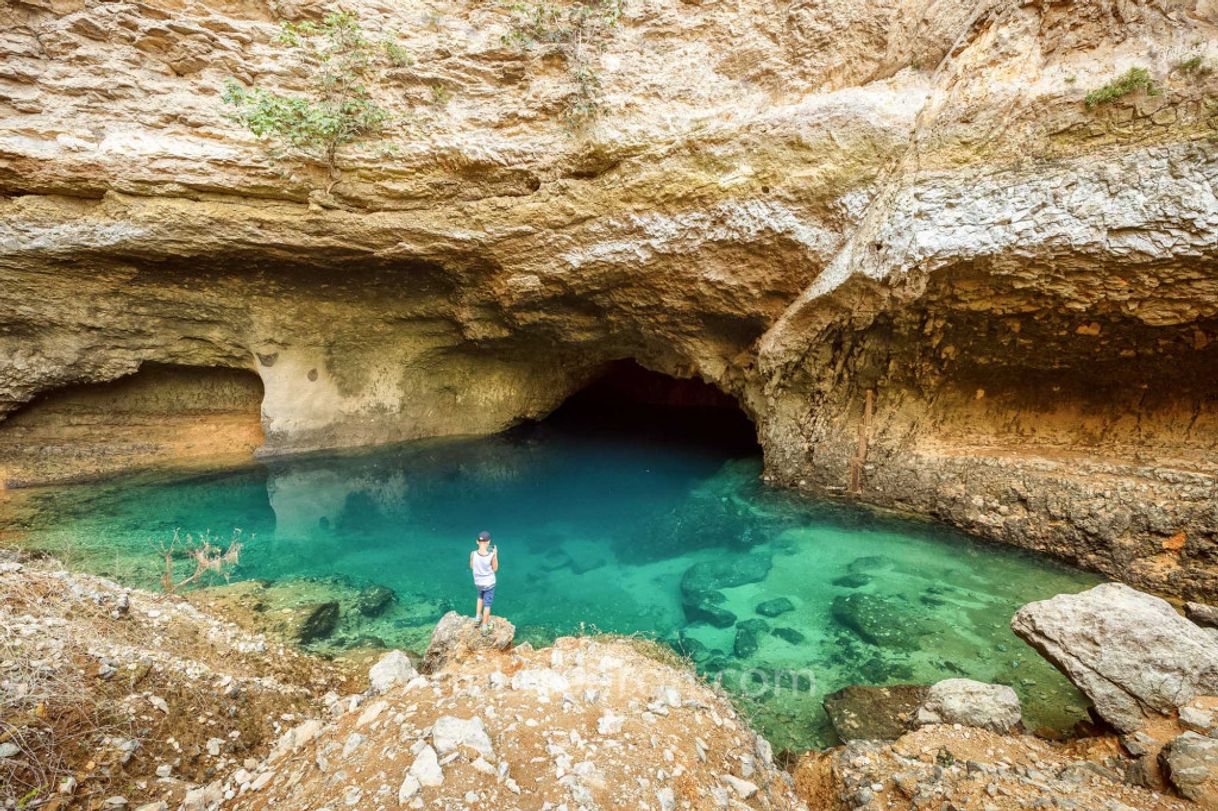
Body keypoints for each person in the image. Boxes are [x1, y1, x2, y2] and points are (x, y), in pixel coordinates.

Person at [470, 530, 499, 634]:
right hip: (489, 584)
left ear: (477, 542)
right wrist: (495, 555)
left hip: (478, 583)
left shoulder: (473, 554)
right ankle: (484, 627)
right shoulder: (491, 555)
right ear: (488, 542)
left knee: (479, 597)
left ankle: (477, 618)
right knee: (487, 604)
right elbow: (495, 568)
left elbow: (472, 566)